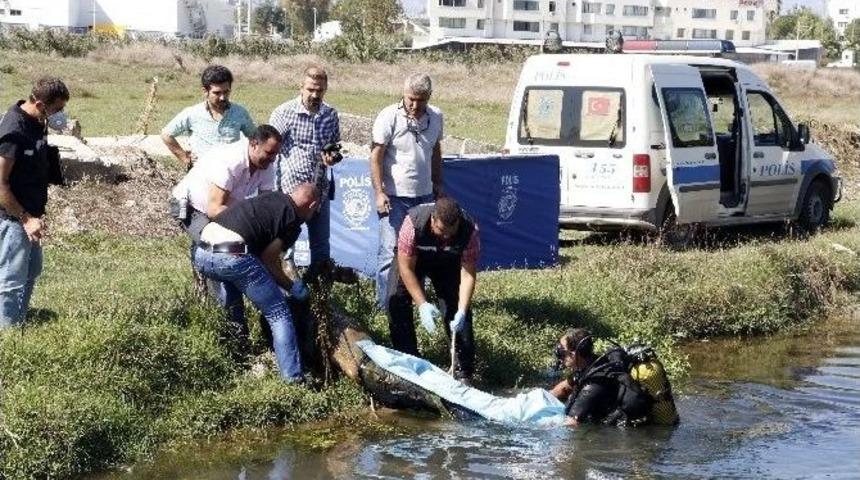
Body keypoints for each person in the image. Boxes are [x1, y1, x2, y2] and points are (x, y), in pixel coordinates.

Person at [192, 184, 320, 383]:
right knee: (279, 313)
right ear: (311, 205)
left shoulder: (272, 198)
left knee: (233, 306)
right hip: (231, 253)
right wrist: (292, 287)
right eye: (315, 210)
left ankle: (236, 360)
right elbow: (269, 259)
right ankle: (293, 378)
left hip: (202, 251)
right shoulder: (293, 220)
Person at [172, 124, 282, 337]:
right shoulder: (231, 161)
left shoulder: (266, 165)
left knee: (236, 252)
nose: (272, 159)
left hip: (222, 209)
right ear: (254, 144)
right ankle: (231, 331)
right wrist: (248, 229)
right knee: (222, 255)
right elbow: (214, 209)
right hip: (189, 206)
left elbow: (266, 205)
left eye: (276, 154)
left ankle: (231, 313)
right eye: (269, 153)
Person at [0, 77, 69, 329]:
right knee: (11, 277)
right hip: (14, 216)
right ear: (40, 104)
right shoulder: (13, 132)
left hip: (32, 213)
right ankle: (8, 334)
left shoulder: (37, 121)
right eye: (57, 109)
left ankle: (19, 319)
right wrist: (26, 218)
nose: (60, 114)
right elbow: (0, 183)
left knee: (31, 271)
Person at [371, 72, 445, 308]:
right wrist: (379, 192)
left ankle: (415, 301)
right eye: (410, 99)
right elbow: (376, 156)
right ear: (403, 94)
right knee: (390, 252)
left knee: (419, 251)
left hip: (424, 196)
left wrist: (437, 183)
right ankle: (385, 305)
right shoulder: (388, 116)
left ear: (429, 97)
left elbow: (435, 151)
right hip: (394, 197)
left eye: (420, 100)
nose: (414, 105)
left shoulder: (436, 116)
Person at [386, 197, 479, 382]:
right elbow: (406, 268)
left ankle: (463, 371)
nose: (446, 237)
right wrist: (422, 304)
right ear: (433, 220)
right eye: (441, 231)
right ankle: (409, 363)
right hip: (414, 260)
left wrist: (461, 310)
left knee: (457, 305)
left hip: (447, 262)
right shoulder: (412, 224)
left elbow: (468, 274)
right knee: (396, 300)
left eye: (451, 232)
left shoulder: (469, 230)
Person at [269, 65, 341, 267]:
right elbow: (270, 147)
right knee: (285, 246)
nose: (315, 95)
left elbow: (334, 146)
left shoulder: (330, 114)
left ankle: (320, 282)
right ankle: (285, 283)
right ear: (300, 87)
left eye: (320, 90)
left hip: (319, 190)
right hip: (290, 192)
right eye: (310, 89)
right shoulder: (283, 113)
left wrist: (332, 156)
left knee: (321, 245)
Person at [550, 328, 652, 427]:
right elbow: (563, 387)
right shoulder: (590, 364)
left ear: (574, 354)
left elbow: (572, 422)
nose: (560, 356)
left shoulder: (595, 382)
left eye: (562, 352)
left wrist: (543, 427)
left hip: (621, 431)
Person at [161, 65, 256, 170]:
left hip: (232, 173)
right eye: (217, 93)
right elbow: (166, 135)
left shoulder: (239, 112)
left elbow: (255, 138)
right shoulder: (193, 113)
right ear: (205, 91)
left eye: (226, 92)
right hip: (202, 173)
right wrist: (185, 158)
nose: (222, 97)